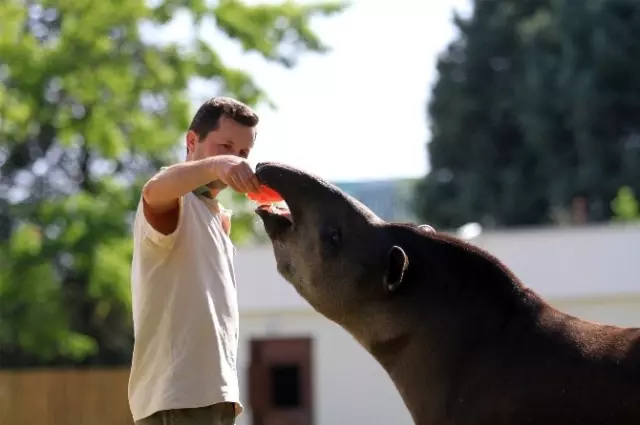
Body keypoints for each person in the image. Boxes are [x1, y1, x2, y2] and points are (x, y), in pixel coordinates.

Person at [128, 97, 262, 425]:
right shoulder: (177, 201)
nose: (235, 159)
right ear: (192, 141)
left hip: (213, 396)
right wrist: (218, 166)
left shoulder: (215, 217)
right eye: (225, 146)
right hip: (180, 397)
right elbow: (153, 190)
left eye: (243, 153)